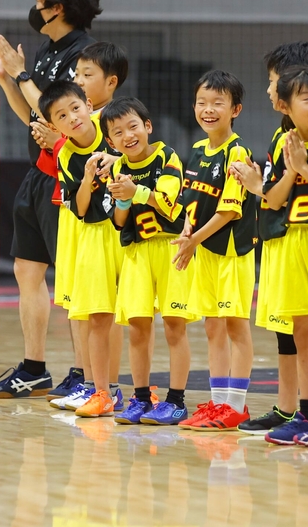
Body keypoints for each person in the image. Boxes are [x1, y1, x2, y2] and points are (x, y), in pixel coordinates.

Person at [0, 0, 102, 399]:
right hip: (37, 173)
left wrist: (22, 76)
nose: (35, 9)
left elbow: (56, 113)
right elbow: (32, 115)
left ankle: (83, 373)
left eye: (40, 2)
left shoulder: (84, 54)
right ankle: (34, 368)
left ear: (57, 7)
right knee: (26, 270)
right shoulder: (47, 50)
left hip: (67, 177)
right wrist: (6, 78)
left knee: (72, 281)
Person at [228, 66, 308, 446]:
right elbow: (274, 199)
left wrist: (303, 168)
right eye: (307, 99)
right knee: (303, 333)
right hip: (292, 240)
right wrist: (282, 175)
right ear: (285, 106)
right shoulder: (285, 139)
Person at [39, 42, 129, 402]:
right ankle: (94, 387)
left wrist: (117, 160)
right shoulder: (66, 153)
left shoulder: (115, 130)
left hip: (121, 233)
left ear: (89, 105)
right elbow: (78, 204)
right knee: (87, 311)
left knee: (117, 314)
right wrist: (89, 179)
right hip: (86, 231)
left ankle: (118, 388)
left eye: (75, 108)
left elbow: (146, 160)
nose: (72, 117)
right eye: (62, 116)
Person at [99, 97, 196, 425]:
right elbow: (119, 221)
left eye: (133, 126)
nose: (128, 135)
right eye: (118, 132)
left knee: (174, 326)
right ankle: (140, 399)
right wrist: (123, 200)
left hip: (170, 247)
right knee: (138, 327)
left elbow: (168, 204)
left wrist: (135, 192)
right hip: (136, 252)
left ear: (148, 126)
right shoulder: (117, 168)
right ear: (111, 142)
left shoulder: (167, 157)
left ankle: (176, 402)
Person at [173, 70, 258, 432]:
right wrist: (187, 230)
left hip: (232, 252)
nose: (208, 110)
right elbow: (190, 203)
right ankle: (218, 402)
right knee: (212, 328)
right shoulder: (196, 151)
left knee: (236, 327)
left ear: (235, 109)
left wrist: (194, 239)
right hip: (204, 252)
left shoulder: (237, 152)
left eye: (217, 103)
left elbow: (229, 210)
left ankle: (235, 406)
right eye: (202, 102)